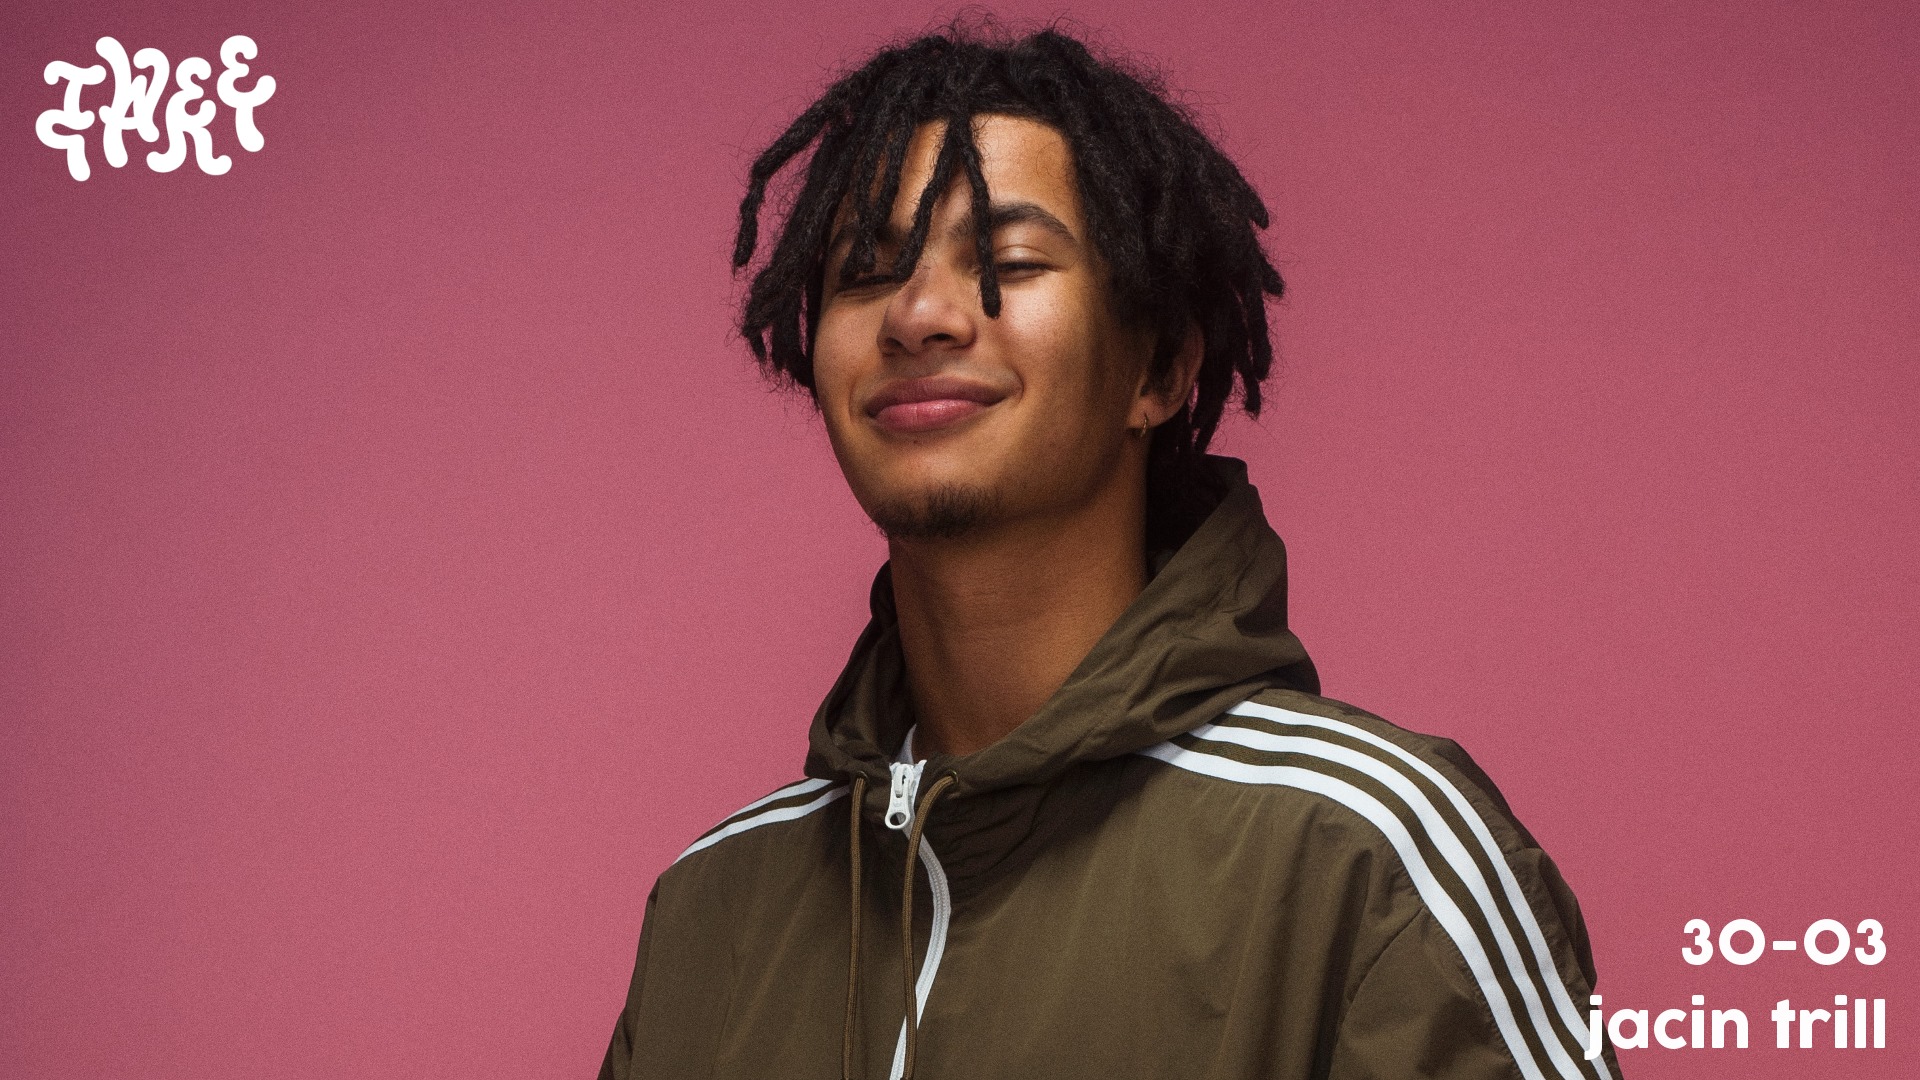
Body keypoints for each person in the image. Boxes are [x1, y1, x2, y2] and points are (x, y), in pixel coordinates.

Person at [599, 20, 1621, 1080]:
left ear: (1159, 371)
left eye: (1009, 261)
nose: (918, 315)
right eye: (864, 272)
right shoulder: (711, 907)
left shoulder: (1373, 858)